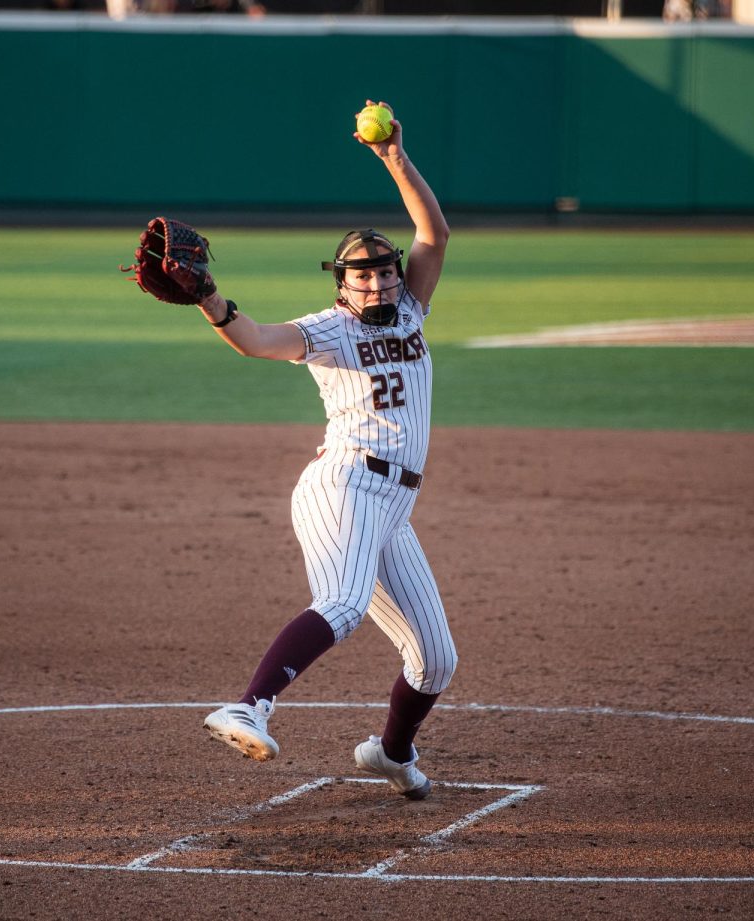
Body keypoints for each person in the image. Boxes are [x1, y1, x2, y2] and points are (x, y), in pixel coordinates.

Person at [198, 100, 455, 800]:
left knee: (436, 660)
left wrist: (394, 157)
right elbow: (253, 339)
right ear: (340, 283)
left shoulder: (412, 308)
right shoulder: (327, 329)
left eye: (384, 270)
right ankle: (248, 705)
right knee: (340, 602)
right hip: (343, 485)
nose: (376, 281)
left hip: (395, 506)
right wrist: (210, 300)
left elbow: (434, 231)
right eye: (361, 274)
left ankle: (391, 753)